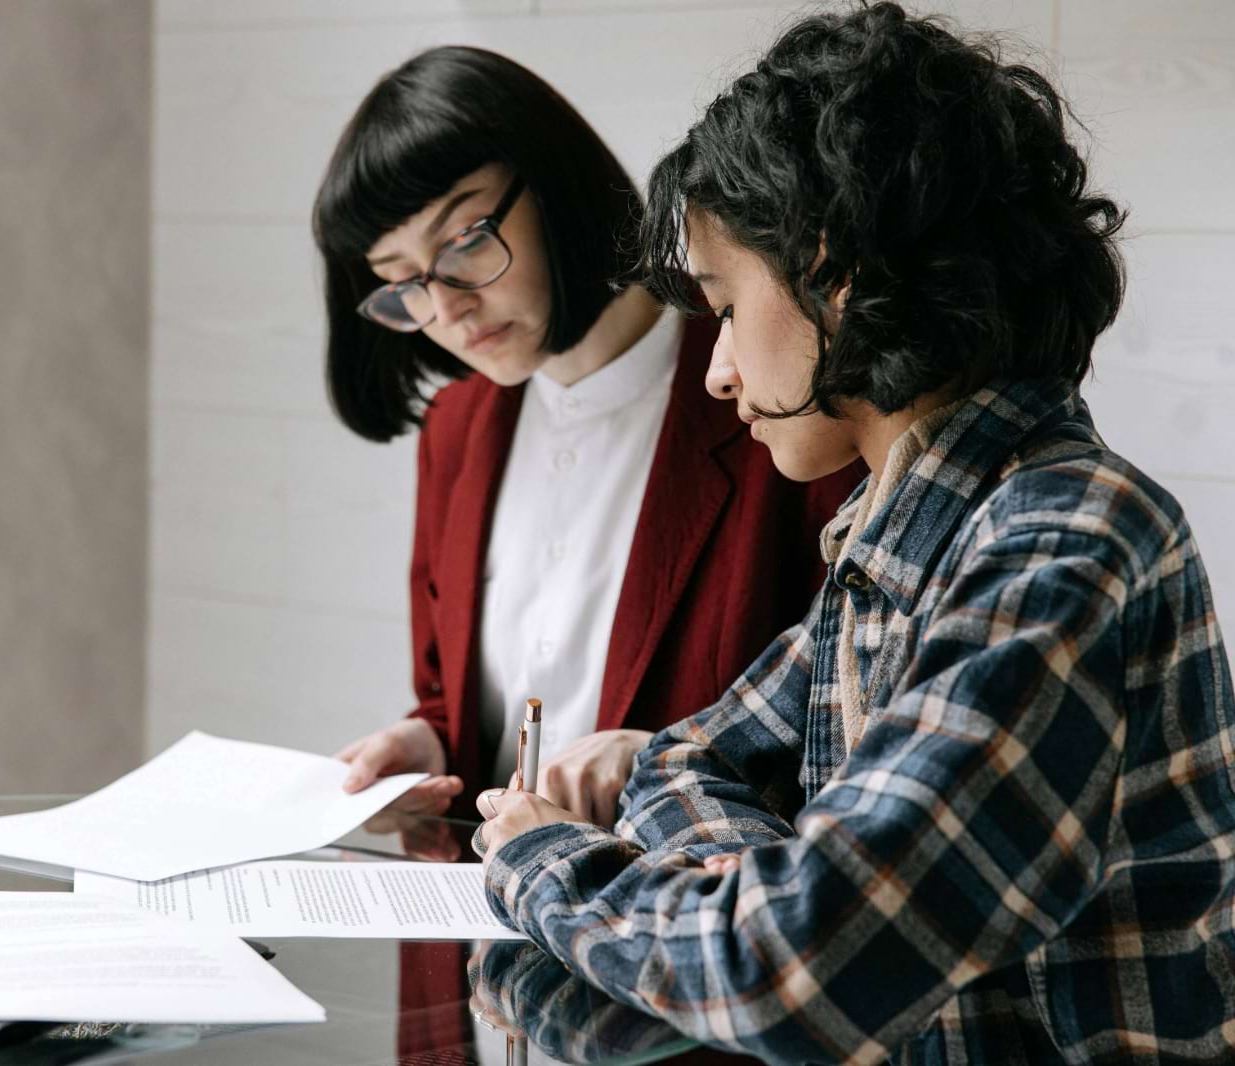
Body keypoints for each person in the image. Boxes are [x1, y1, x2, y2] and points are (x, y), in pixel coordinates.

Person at [475, 5, 1235, 1063]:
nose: (717, 368)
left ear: (832, 274)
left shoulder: (1065, 546)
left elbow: (790, 974)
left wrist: (542, 859)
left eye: (727, 306)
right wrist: (766, 881)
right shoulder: (888, 533)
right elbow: (681, 762)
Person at [313, 45, 863, 832]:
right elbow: (456, 694)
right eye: (403, 281)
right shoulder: (456, 429)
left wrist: (664, 757)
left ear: (557, 183)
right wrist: (427, 742)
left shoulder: (770, 393)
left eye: (464, 241)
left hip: (671, 927)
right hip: (476, 920)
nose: (448, 310)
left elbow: (851, 724)